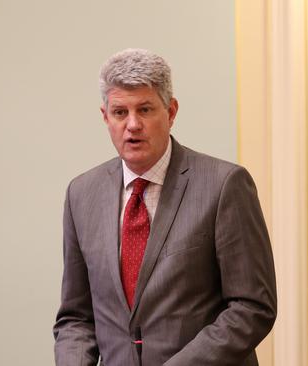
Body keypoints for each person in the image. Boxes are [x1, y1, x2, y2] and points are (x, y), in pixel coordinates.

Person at [53, 48, 277, 366]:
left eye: (145, 109)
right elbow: (76, 318)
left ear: (171, 112)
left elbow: (253, 307)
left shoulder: (225, 185)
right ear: (105, 117)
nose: (132, 124)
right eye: (120, 112)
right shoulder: (82, 194)